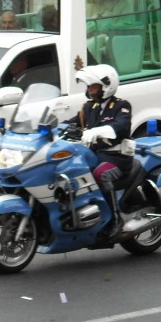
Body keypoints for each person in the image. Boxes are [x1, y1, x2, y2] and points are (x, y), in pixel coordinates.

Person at [65, 64, 134, 240]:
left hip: (117, 157)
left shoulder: (121, 106)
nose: (90, 90)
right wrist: (50, 127)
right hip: (94, 155)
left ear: (106, 86)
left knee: (100, 174)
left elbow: (121, 126)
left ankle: (115, 220)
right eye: (89, 86)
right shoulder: (89, 108)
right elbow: (71, 123)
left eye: (93, 86)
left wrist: (96, 132)